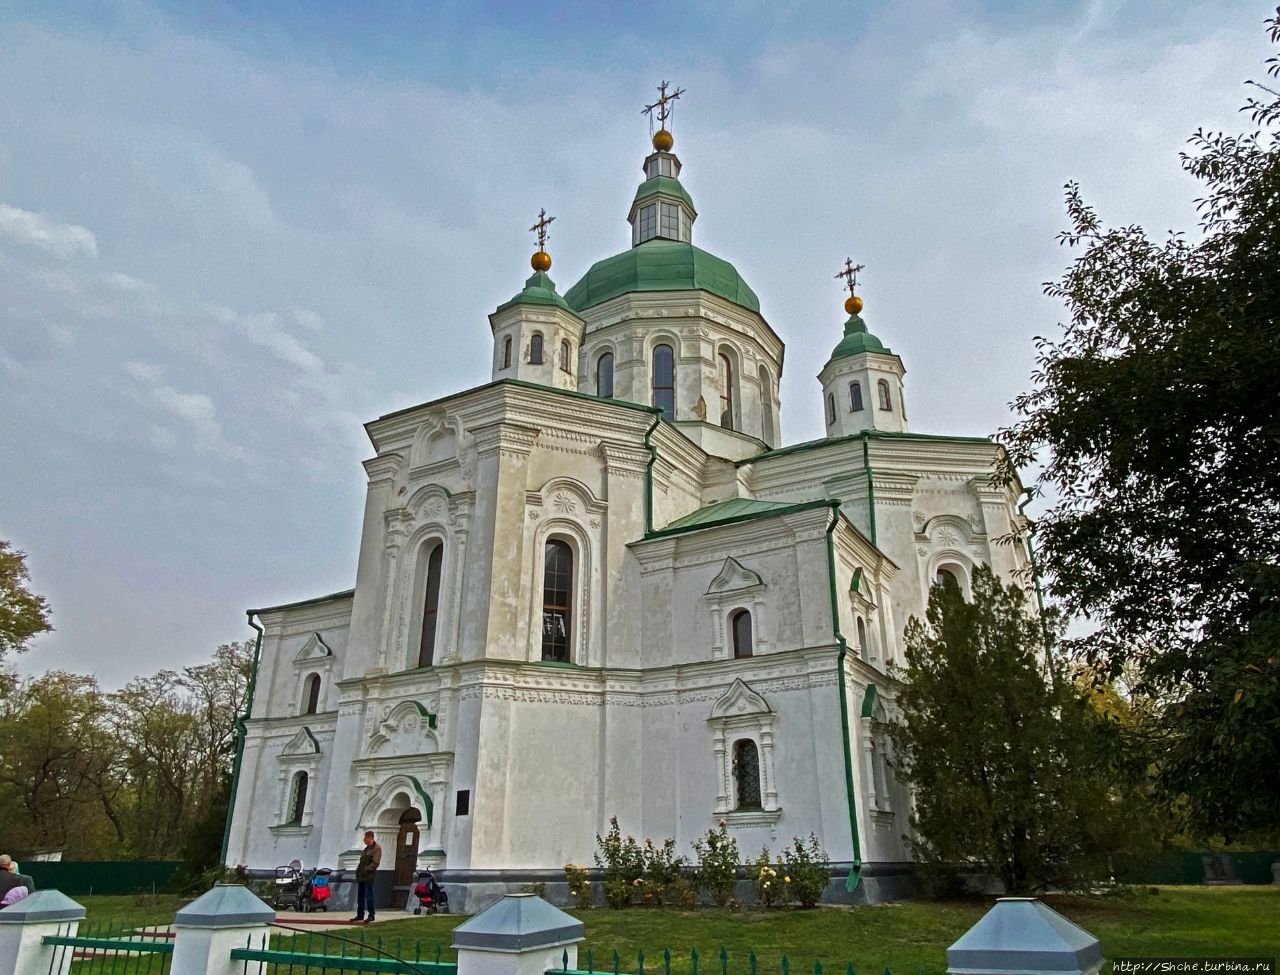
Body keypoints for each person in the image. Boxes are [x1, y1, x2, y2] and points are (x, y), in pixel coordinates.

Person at [349, 830, 381, 924]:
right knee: (360, 896)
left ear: (370, 838)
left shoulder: (376, 848)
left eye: (366, 838)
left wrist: (367, 869)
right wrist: (359, 872)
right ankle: (360, 914)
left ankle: (371, 915)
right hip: (361, 876)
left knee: (369, 896)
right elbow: (362, 862)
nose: (364, 840)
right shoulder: (366, 849)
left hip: (369, 876)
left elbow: (375, 862)